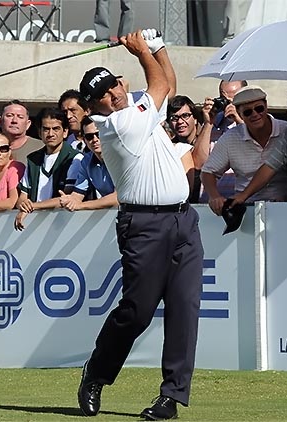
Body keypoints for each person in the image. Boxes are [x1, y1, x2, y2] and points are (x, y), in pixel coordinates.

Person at [77, 29, 203, 421]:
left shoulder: (139, 112)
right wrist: (142, 51)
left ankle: (171, 398)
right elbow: (161, 82)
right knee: (137, 311)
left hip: (184, 221)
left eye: (113, 87)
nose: (112, 96)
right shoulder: (116, 125)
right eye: (103, 96)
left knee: (184, 309)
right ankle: (96, 372)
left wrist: (160, 44)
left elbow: (169, 83)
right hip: (143, 225)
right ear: (95, 106)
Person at [201, 85, 287, 215]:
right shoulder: (230, 138)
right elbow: (208, 171)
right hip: (246, 208)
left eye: (259, 109)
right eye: (248, 112)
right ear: (239, 113)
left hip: (286, 208)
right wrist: (214, 196)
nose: (255, 114)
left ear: (266, 106)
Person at [14, 108, 77, 230]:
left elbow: (67, 198)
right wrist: (24, 206)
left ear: (65, 132)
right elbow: (23, 196)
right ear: (39, 132)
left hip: (63, 225)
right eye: (46, 129)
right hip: (34, 225)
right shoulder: (33, 159)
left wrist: (33, 206)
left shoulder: (75, 158)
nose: (51, 134)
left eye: (56, 129)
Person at [60, 117, 117, 211]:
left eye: (98, 134)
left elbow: (117, 198)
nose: (95, 140)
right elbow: (77, 196)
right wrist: (70, 201)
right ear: (84, 140)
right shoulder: (86, 161)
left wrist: (81, 205)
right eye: (89, 137)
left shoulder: (121, 157)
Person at [167, 95, 212, 202]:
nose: (180, 122)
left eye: (185, 116)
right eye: (174, 118)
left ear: (195, 119)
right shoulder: (169, 147)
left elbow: (198, 163)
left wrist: (208, 123)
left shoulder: (209, 139)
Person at [0, 100, 44, 165]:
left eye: (20, 117)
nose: (14, 121)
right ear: (0, 121)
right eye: (9, 116)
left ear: (28, 124)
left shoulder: (41, 148)